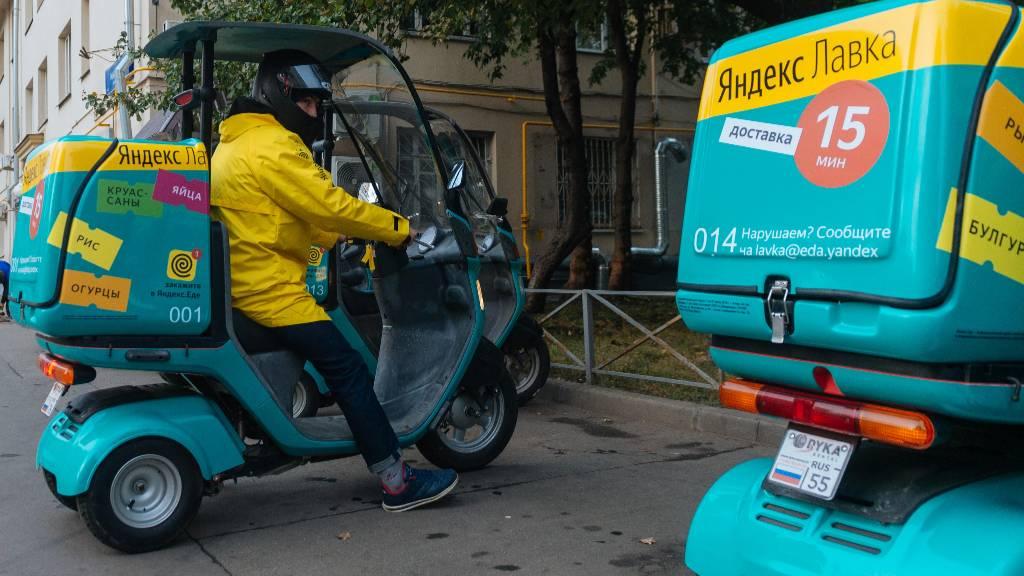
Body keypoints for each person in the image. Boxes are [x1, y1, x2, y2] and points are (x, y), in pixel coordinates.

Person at [210, 50, 457, 512]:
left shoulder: (235, 144)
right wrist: (400, 229)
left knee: (337, 358)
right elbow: (328, 203)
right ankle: (396, 480)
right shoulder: (273, 146)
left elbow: (287, 218)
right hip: (272, 293)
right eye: (306, 104)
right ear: (278, 94)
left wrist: (337, 238)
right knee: (348, 371)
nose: (313, 113)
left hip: (252, 281)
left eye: (316, 105)